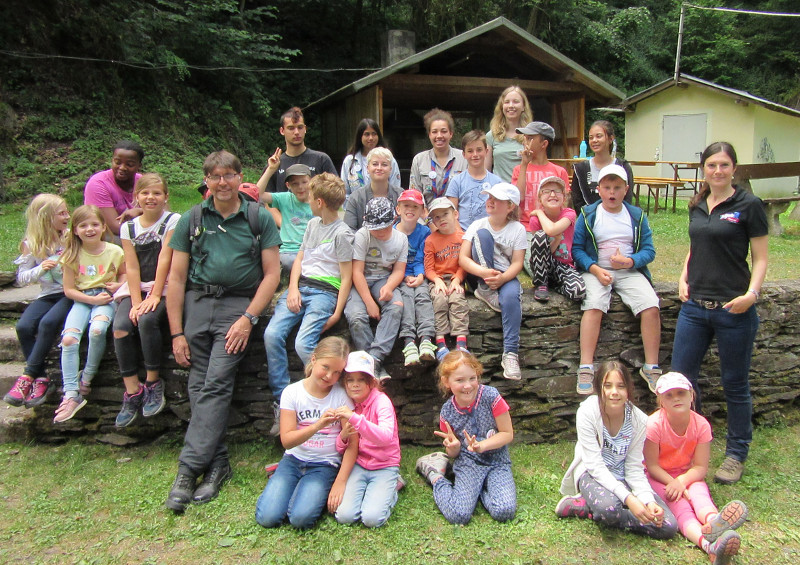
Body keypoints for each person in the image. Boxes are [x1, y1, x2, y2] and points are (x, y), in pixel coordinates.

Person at [165, 150, 281, 513]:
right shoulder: (192, 218)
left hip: (236, 307)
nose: (222, 182)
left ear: (239, 176)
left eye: (229, 175)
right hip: (198, 306)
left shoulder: (258, 218)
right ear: (207, 180)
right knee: (198, 384)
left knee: (214, 381)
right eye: (215, 176)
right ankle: (217, 465)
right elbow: (176, 277)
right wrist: (175, 333)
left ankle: (187, 471)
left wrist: (248, 318)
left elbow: (273, 275)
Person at [670, 141, 768, 485]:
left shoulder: (749, 205)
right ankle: (685, 448)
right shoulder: (697, 203)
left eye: (724, 165)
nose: (717, 171)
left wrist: (751, 295)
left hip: (733, 309)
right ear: (703, 169)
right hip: (695, 308)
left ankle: (736, 453)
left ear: (734, 168)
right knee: (681, 382)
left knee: (735, 384)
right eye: (711, 165)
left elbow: (761, 258)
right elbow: (697, 247)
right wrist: (683, 275)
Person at [263, 172, 354, 436]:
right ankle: (283, 402)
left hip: (325, 294)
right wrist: (292, 289)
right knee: (271, 334)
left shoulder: (343, 233)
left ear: (321, 202)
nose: (308, 201)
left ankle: (327, 394)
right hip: (301, 288)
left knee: (303, 344)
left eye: (312, 198)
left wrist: (337, 313)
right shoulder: (313, 225)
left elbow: (346, 276)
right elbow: (300, 259)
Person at [556, 361, 678, 540]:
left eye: (621, 386)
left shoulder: (640, 421)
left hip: (623, 477)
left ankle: (587, 506)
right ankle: (593, 507)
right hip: (591, 474)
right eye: (608, 386)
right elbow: (594, 466)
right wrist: (630, 500)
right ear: (599, 388)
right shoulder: (587, 413)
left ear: (628, 389)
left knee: (668, 526)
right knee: (609, 510)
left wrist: (648, 501)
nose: (614, 392)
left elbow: (634, 468)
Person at [572, 164, 662, 396]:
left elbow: (649, 251)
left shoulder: (636, 215)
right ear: (599, 190)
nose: (612, 193)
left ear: (626, 190)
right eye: (607, 187)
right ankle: (585, 366)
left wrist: (631, 261)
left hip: (628, 271)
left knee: (650, 306)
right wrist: (593, 268)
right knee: (594, 306)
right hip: (597, 270)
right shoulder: (588, 214)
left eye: (617, 188)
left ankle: (651, 366)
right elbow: (577, 250)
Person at [644, 372, 748, 565]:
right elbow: (651, 466)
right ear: (661, 401)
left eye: (681, 393)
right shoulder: (653, 425)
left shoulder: (701, 425)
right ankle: (711, 547)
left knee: (699, 494)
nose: (676, 398)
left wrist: (683, 481)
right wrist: (674, 484)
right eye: (669, 395)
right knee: (680, 505)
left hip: (686, 474)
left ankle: (715, 523)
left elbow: (700, 467)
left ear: (692, 396)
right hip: (659, 477)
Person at [255, 336, 358, 529]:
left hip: (324, 464)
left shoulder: (341, 396)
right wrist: (317, 425)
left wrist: (340, 482)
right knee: (267, 518)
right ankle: (282, 483)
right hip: (294, 459)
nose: (329, 376)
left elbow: (353, 443)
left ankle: (298, 493)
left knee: (300, 519)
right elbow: (287, 441)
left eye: (337, 372)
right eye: (325, 367)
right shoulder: (292, 393)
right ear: (313, 359)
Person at [415, 350, 516, 525]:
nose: (468, 386)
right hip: (468, 462)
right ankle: (435, 476)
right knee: (459, 515)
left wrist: (482, 445)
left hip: (497, 461)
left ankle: (478, 489)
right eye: (459, 380)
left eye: (472, 378)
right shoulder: (447, 412)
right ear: (447, 382)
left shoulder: (492, 397)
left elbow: (507, 434)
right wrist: (453, 447)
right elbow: (454, 453)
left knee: (504, 511)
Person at [112, 173, 180, 427]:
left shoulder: (172, 221)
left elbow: (166, 258)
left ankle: (152, 381)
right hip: (136, 287)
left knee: (147, 320)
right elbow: (131, 265)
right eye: (145, 193)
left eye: (157, 193)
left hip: (162, 286)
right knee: (120, 328)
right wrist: (136, 298)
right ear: (136, 197)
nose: (151, 198)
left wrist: (152, 296)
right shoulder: (128, 227)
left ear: (166, 197)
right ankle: (132, 390)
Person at [56, 205, 126, 423]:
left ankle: (86, 378)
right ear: (75, 230)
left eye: (94, 224)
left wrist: (118, 286)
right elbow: (69, 290)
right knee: (68, 339)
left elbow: (125, 274)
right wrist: (91, 299)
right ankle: (70, 393)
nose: (89, 229)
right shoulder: (71, 255)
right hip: (83, 300)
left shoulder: (115, 251)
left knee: (97, 330)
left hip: (106, 298)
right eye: (83, 225)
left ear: (103, 226)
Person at [4, 195, 72, 408]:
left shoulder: (70, 237)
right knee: (23, 326)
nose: (67, 216)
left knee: (48, 323)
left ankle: (27, 377)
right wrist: (39, 268)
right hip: (47, 294)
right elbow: (21, 279)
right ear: (45, 218)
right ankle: (41, 378)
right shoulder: (31, 244)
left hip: (69, 293)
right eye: (61, 213)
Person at [459, 183, 526, 380]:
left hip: (504, 276)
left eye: (497, 199)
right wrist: (485, 274)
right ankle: (485, 290)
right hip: (480, 275)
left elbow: (517, 263)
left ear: (510, 206)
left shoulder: (518, 229)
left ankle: (511, 354)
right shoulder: (477, 225)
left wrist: (503, 278)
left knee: (512, 297)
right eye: (489, 198)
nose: (491, 202)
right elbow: (463, 258)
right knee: (483, 236)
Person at [333, 351, 402, 528]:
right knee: (344, 516)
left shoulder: (381, 402)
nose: (355, 385)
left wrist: (355, 418)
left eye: (361, 380)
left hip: (384, 465)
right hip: (360, 464)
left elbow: (386, 437)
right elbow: (342, 448)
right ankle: (373, 493)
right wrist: (343, 438)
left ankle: (394, 486)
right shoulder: (349, 404)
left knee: (372, 519)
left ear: (371, 382)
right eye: (350, 380)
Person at [344, 197, 407, 382]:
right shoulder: (363, 235)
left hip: (383, 279)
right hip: (360, 282)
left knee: (395, 305)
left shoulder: (401, 239)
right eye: (375, 228)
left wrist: (389, 287)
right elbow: (356, 271)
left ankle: (374, 359)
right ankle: (374, 367)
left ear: (394, 221)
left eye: (384, 228)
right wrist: (369, 303)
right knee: (356, 317)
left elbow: (399, 270)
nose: (379, 232)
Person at [510, 121, 569, 278]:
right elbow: (518, 197)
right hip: (527, 228)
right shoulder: (519, 169)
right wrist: (524, 165)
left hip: (553, 227)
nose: (525, 142)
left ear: (544, 143)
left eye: (530, 138)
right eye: (525, 137)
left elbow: (565, 204)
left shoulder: (559, 171)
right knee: (534, 266)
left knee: (564, 259)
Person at [394, 189, 437, 366]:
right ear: (398, 209)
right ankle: (409, 341)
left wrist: (420, 276)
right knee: (406, 299)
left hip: (419, 273)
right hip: (399, 276)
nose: (410, 209)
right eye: (406, 206)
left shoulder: (424, 232)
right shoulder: (392, 232)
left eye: (415, 206)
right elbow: (392, 261)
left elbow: (422, 256)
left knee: (423, 296)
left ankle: (426, 338)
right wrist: (404, 277)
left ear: (421, 211)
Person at [528, 176, 586, 303]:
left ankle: (555, 286)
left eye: (557, 191)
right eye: (547, 191)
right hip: (543, 265)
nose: (552, 194)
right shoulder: (535, 220)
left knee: (578, 292)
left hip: (564, 264)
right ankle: (541, 283)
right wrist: (556, 239)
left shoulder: (569, 213)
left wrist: (539, 212)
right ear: (540, 198)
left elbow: (552, 230)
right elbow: (543, 249)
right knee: (539, 236)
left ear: (564, 198)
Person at [424, 198, 469, 361]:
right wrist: (436, 280)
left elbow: (464, 263)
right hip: (438, 279)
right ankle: (441, 341)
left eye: (445, 214)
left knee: (457, 300)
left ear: (455, 214)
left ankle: (461, 342)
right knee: (439, 300)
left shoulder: (463, 237)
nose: (441, 219)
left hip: (456, 278)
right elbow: (429, 268)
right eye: (436, 217)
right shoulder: (431, 240)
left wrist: (457, 279)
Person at [256, 106, 337, 197]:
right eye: (291, 128)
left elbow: (335, 194)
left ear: (305, 129)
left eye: (300, 127)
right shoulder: (274, 165)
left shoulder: (321, 159)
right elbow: (263, 199)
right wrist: (270, 170)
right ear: (282, 131)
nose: (297, 132)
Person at [571, 120, 634, 216]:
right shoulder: (580, 169)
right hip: (588, 221)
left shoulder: (623, 166)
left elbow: (627, 198)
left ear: (610, 139)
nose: (594, 140)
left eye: (599, 136)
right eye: (591, 138)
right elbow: (577, 201)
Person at [409, 108, 468, 208]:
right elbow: (415, 195)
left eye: (444, 131)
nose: (439, 136)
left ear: (451, 134)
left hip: (455, 218)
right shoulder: (419, 160)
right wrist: (428, 220)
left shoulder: (464, 158)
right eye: (434, 132)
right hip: (425, 218)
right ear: (429, 135)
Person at [83, 140, 144, 237]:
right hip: (107, 236)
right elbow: (115, 227)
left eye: (130, 164)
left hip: (138, 230)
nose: (122, 167)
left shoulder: (142, 181)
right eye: (117, 162)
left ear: (139, 166)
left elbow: (163, 211)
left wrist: (140, 211)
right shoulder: (98, 184)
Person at [446, 130, 503, 230]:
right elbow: (451, 214)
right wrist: (461, 237)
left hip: (489, 235)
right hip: (463, 235)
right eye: (470, 151)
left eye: (479, 150)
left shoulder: (497, 182)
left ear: (486, 151)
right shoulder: (456, 181)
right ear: (464, 154)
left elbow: (500, 213)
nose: (475, 154)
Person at [261, 163, 314, 272]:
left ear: (311, 182)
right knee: (292, 263)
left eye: (304, 182)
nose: (300, 187)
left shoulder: (318, 202)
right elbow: (258, 194)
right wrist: (270, 170)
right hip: (289, 251)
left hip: (312, 251)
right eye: (295, 184)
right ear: (288, 185)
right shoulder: (284, 198)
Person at [343, 147, 403, 231]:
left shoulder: (401, 196)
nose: (379, 168)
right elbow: (348, 231)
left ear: (390, 169)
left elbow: (407, 227)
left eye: (384, 164)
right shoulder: (356, 198)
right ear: (367, 168)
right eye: (375, 164)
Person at [340, 118, 401, 199]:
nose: (371, 138)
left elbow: (395, 189)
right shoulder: (350, 161)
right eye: (367, 134)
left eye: (374, 134)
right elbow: (345, 193)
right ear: (360, 136)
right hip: (356, 208)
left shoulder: (389, 159)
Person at [485, 86, 533, 183]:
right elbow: (486, 171)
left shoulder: (531, 135)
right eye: (507, 102)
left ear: (523, 107)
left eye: (516, 101)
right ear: (502, 106)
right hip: (499, 192)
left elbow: (536, 168)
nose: (511, 105)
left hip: (524, 191)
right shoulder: (491, 135)